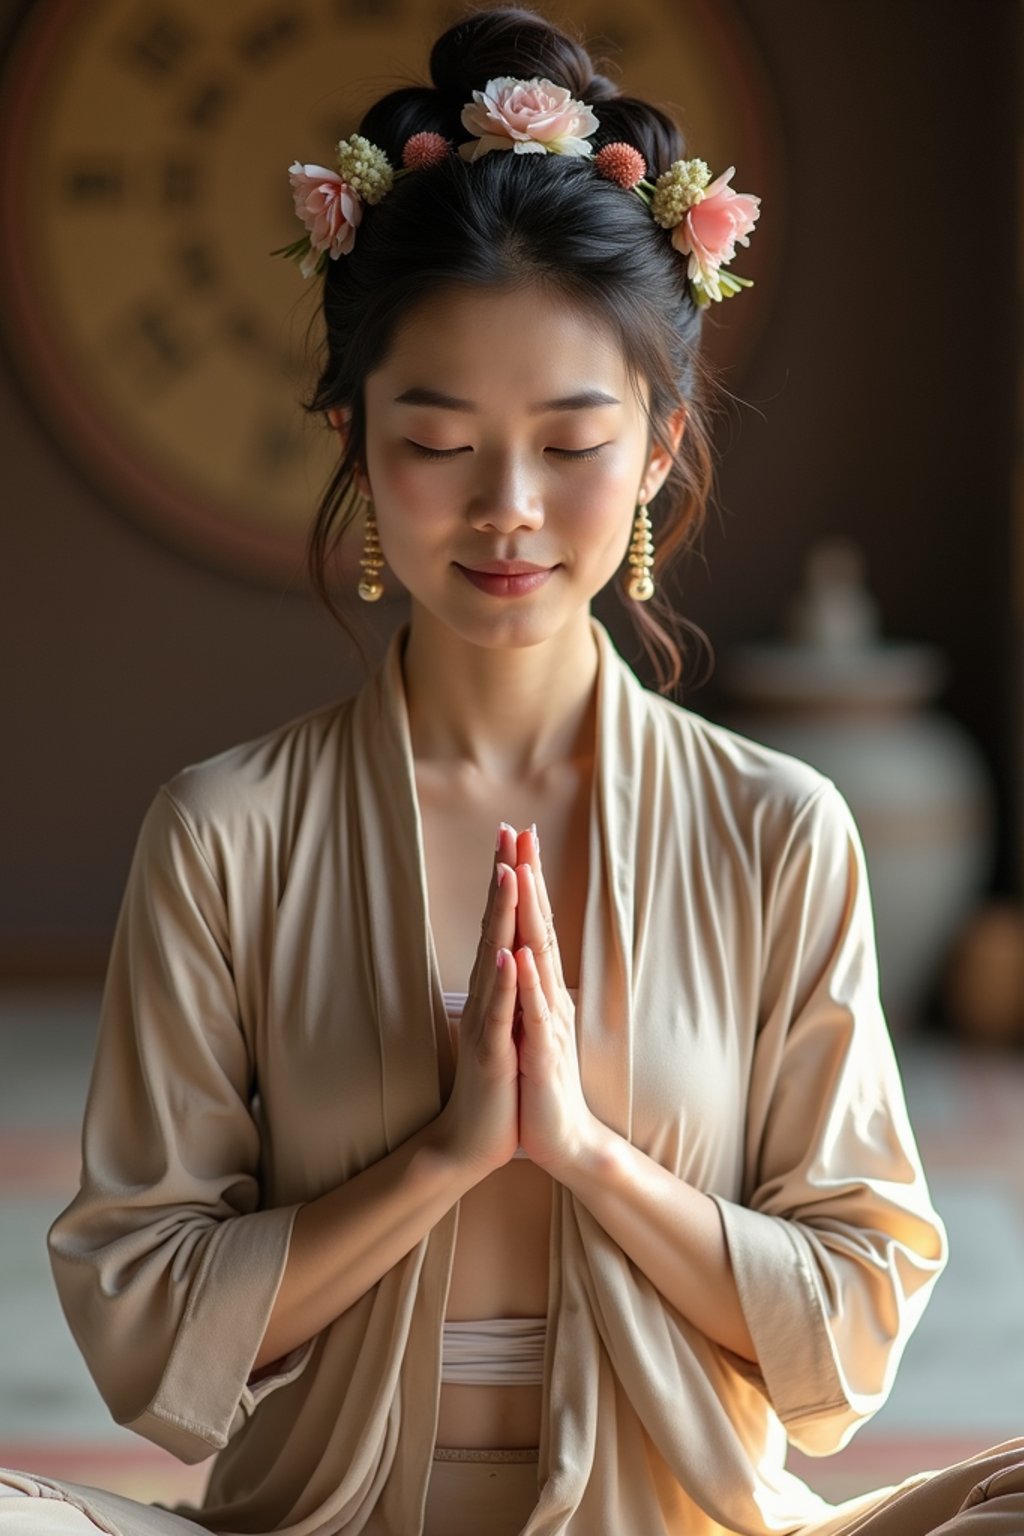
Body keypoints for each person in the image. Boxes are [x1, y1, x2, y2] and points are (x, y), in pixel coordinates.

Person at [2, 7, 1022, 1534]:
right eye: (438, 441)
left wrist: (590, 1159)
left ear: (662, 448)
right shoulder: (227, 835)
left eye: (571, 442)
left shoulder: (777, 829)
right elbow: (146, 1328)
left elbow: (854, 1325)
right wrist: (445, 1160)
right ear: (353, 439)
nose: (509, 511)